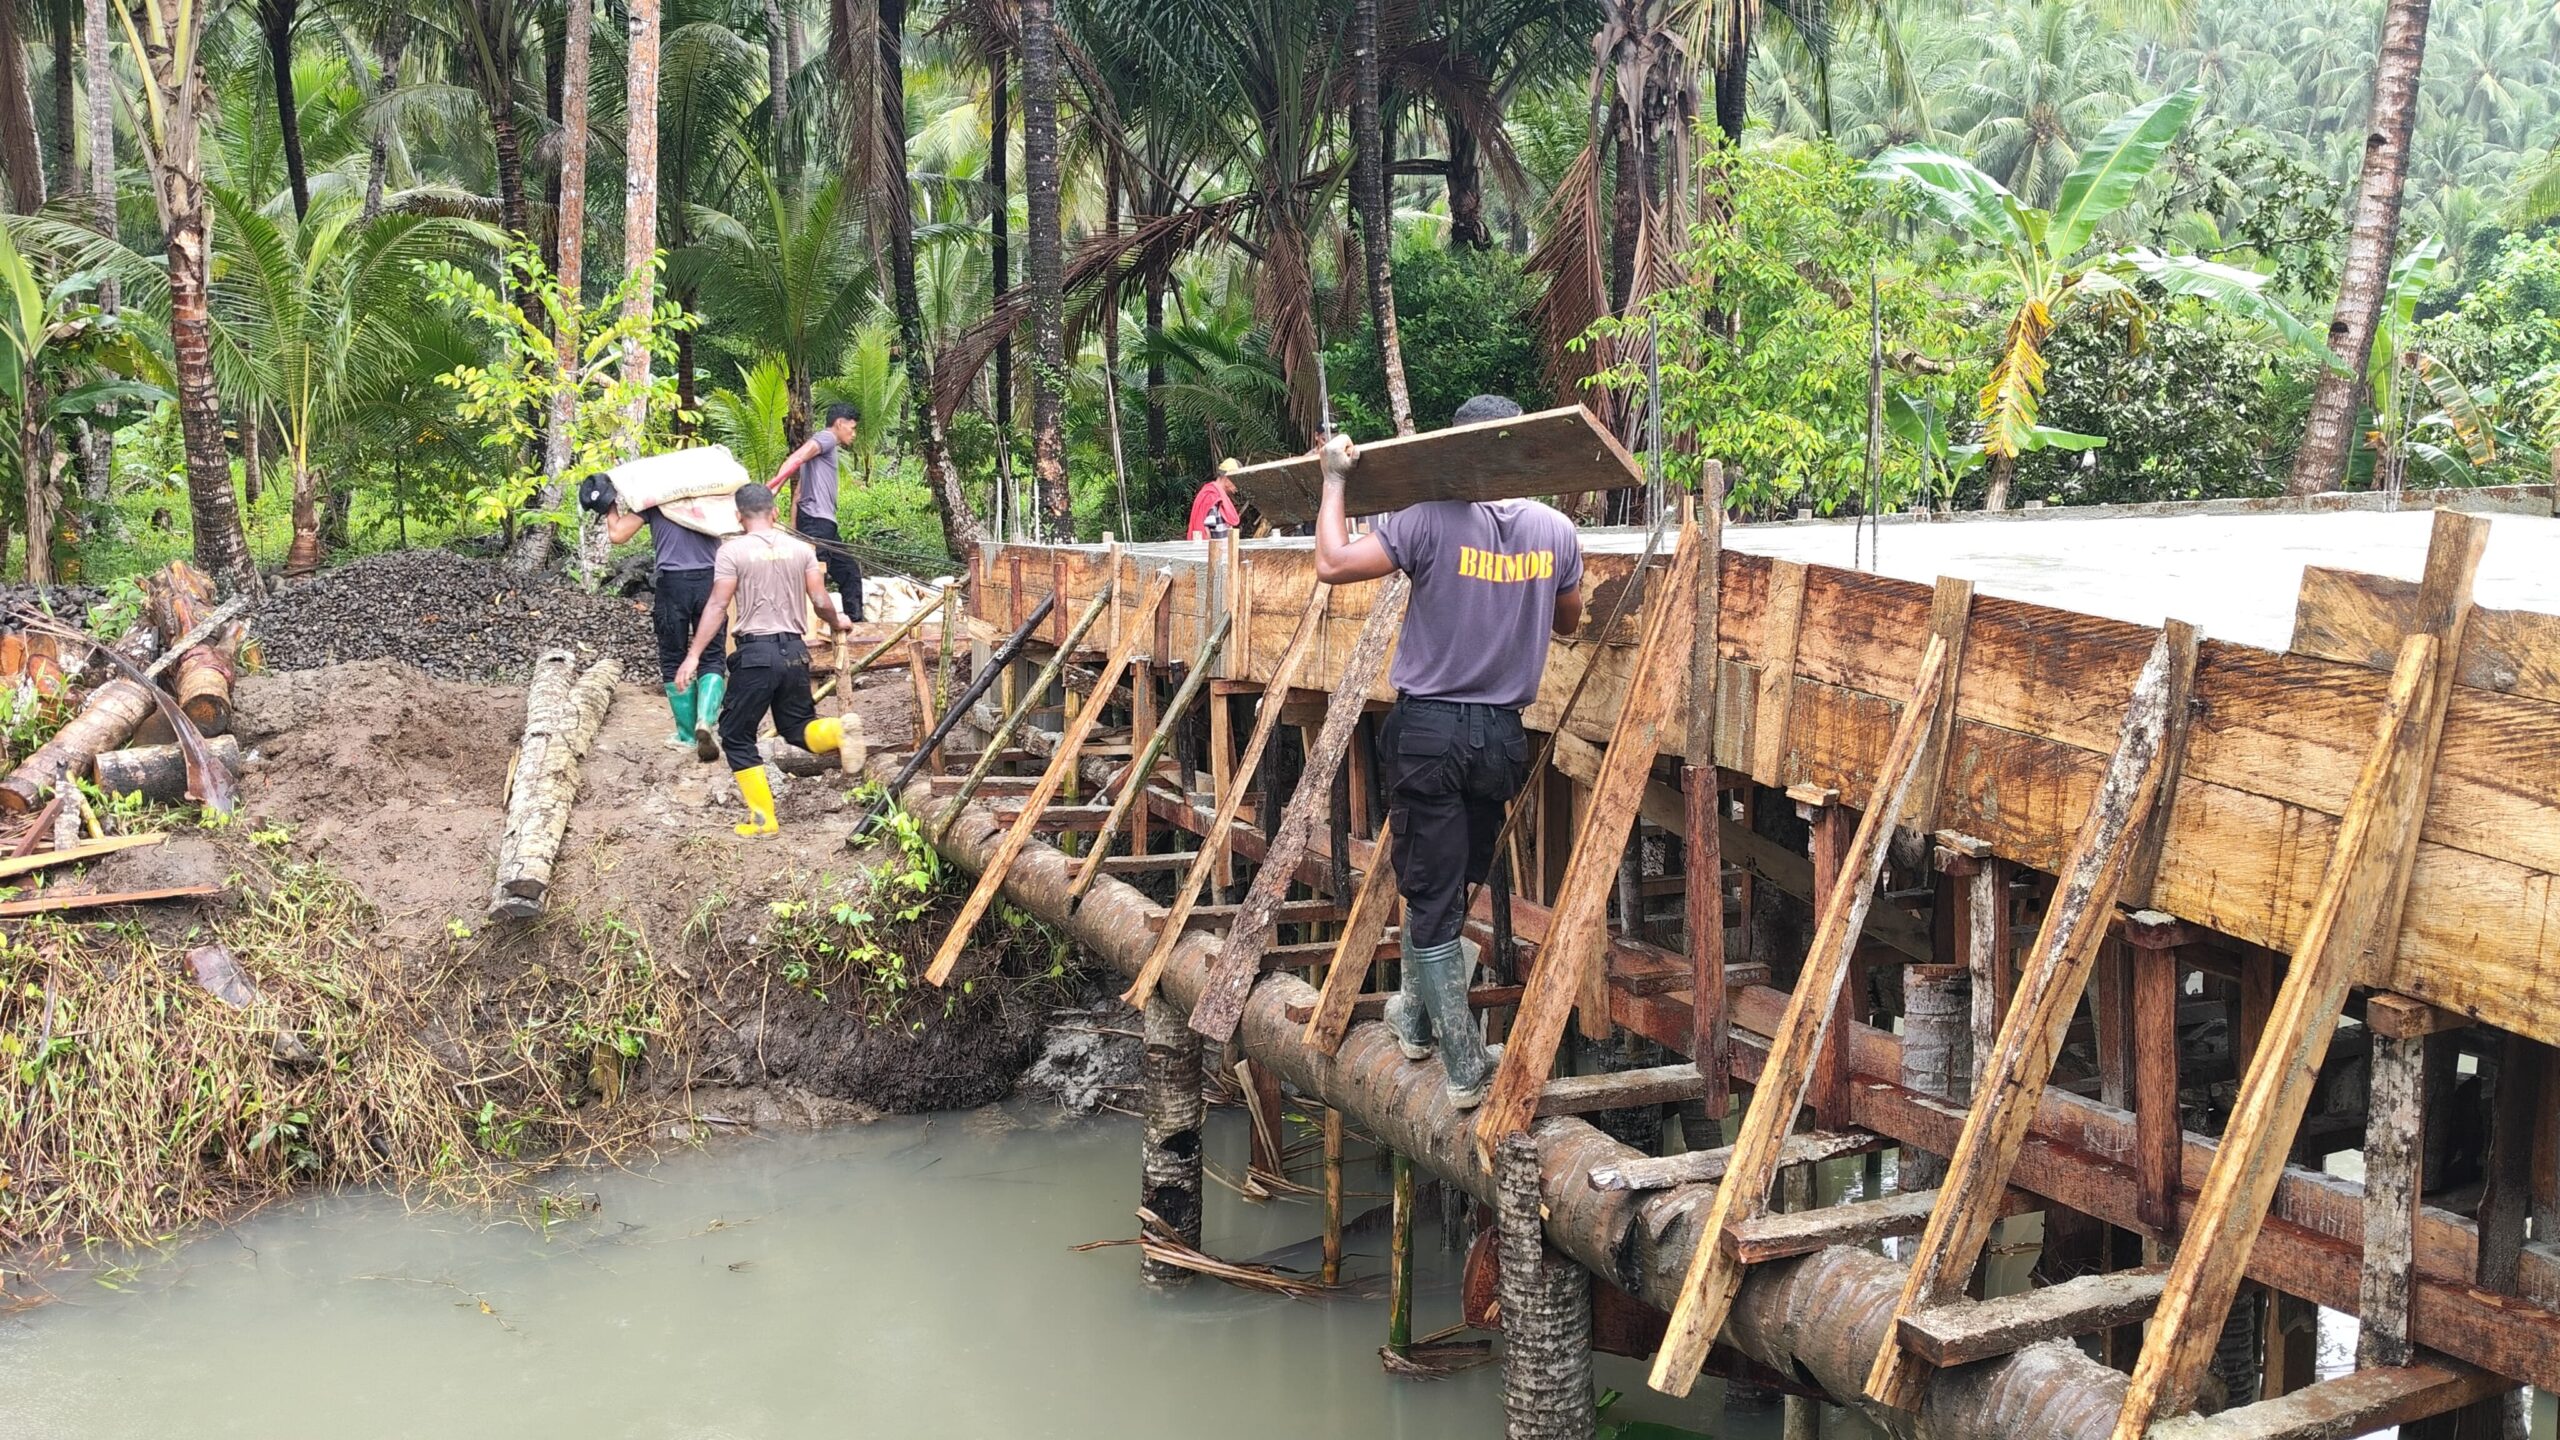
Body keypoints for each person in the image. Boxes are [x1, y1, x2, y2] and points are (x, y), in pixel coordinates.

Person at [1310, 395, 1584, 1109]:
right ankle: (1418, 1020)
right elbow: (1569, 622)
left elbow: (1333, 563)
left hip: (1431, 730)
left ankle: (1462, 1066)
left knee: (1429, 895)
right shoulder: (1556, 532)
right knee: (1452, 881)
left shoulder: (1428, 517)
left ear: (1454, 452)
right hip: (1500, 736)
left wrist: (1334, 478)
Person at [671, 484, 854, 838]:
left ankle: (763, 819)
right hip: (795, 654)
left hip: (755, 655)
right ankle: (838, 730)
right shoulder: (801, 549)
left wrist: (693, 655)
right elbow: (819, 598)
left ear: (739, 517)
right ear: (775, 513)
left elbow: (717, 606)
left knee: (736, 735)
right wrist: (837, 621)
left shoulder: (731, 552)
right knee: (797, 726)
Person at [586, 475, 727, 759]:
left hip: (672, 584)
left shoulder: (656, 500)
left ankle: (688, 735)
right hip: (711, 580)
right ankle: (706, 721)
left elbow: (617, 535)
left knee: (673, 656)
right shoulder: (711, 498)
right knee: (712, 655)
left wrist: (609, 503)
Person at [768, 402, 867, 622]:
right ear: (839, 424)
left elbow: (799, 494)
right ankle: (805, 626)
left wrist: (794, 529)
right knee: (815, 575)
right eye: (852, 428)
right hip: (816, 523)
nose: (854, 434)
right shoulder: (827, 438)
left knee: (849, 572)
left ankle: (855, 623)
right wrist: (771, 489)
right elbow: (794, 458)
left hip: (821, 524)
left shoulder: (821, 453)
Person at [1186, 457, 1243, 540]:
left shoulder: (1219, 496)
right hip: (1214, 551)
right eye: (1236, 480)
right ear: (1227, 478)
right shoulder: (1212, 497)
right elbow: (1206, 533)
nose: (1238, 485)